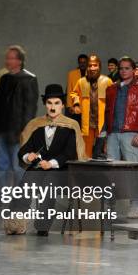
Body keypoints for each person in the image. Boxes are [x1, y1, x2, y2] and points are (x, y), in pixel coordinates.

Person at [11, 84, 85, 236]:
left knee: (48, 185)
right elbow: (24, 149)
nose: (53, 107)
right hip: (38, 168)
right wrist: (28, 156)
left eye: (57, 103)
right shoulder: (36, 125)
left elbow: (70, 153)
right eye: (49, 103)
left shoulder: (71, 126)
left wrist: (50, 163)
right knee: (26, 183)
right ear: (45, 104)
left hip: (61, 170)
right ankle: (15, 224)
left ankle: (42, 226)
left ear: (63, 105)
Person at [103, 57, 138, 218]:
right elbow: (107, 114)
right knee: (111, 173)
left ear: (134, 70)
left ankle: (137, 204)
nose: (123, 71)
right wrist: (105, 137)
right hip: (113, 135)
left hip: (131, 135)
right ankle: (109, 203)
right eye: (121, 68)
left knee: (133, 172)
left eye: (127, 68)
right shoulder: (111, 89)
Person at [0, 45, 39, 196]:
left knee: (18, 166)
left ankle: (21, 196)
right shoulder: (5, 79)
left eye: (11, 58)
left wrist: (25, 131)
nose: (7, 60)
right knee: (1, 165)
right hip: (2, 130)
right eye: (7, 57)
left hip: (18, 132)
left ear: (19, 61)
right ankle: (3, 194)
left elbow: (30, 108)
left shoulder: (29, 79)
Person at [69, 54, 113, 158]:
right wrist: (76, 104)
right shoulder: (81, 81)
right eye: (90, 65)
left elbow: (114, 98)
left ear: (99, 66)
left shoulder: (107, 81)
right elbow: (74, 93)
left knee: (102, 150)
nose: (92, 68)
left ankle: (101, 173)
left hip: (102, 123)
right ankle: (85, 171)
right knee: (85, 150)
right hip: (87, 122)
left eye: (95, 65)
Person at [66, 54, 88, 123]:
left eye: (84, 62)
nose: (82, 64)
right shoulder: (72, 74)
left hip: (88, 107)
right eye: (81, 62)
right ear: (78, 63)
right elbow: (70, 90)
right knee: (75, 128)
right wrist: (69, 106)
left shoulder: (92, 74)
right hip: (75, 107)